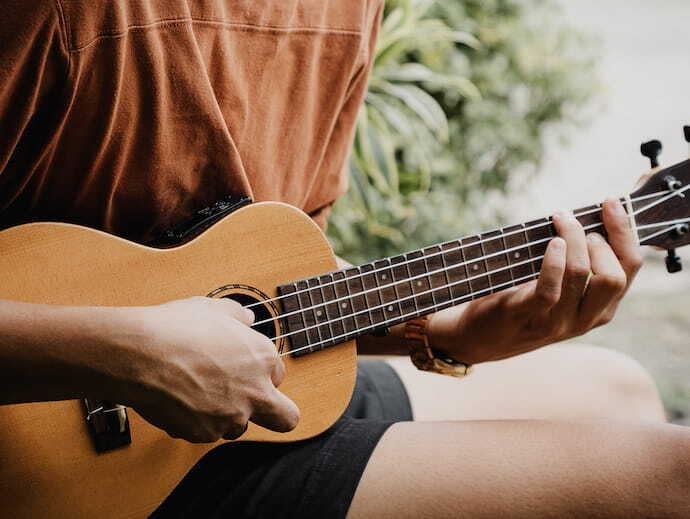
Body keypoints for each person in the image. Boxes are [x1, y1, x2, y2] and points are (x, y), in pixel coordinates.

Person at [1, 1, 687, 517]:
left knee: (617, 388)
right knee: (671, 478)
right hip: (60, 462)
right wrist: (125, 353)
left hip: (253, 402)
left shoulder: (350, 11)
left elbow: (277, 274)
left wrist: (442, 332)